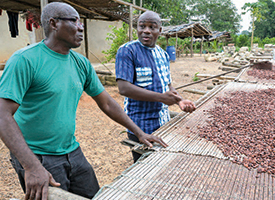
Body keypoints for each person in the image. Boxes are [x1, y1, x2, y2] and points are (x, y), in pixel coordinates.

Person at [0, 2, 167, 200]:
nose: (81, 27)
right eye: (74, 21)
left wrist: (139, 133)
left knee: (94, 196)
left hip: (72, 150)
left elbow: (106, 102)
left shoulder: (80, 63)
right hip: (37, 155)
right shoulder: (25, 60)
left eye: (81, 22)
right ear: (54, 24)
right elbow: (2, 115)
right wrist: (31, 166)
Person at [115, 11, 196, 163]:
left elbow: (168, 85)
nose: (146, 30)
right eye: (142, 26)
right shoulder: (127, 51)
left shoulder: (163, 54)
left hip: (163, 122)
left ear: (160, 30)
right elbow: (124, 88)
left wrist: (179, 100)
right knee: (143, 168)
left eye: (152, 27)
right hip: (140, 126)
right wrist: (161, 98)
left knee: (161, 164)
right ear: (137, 28)